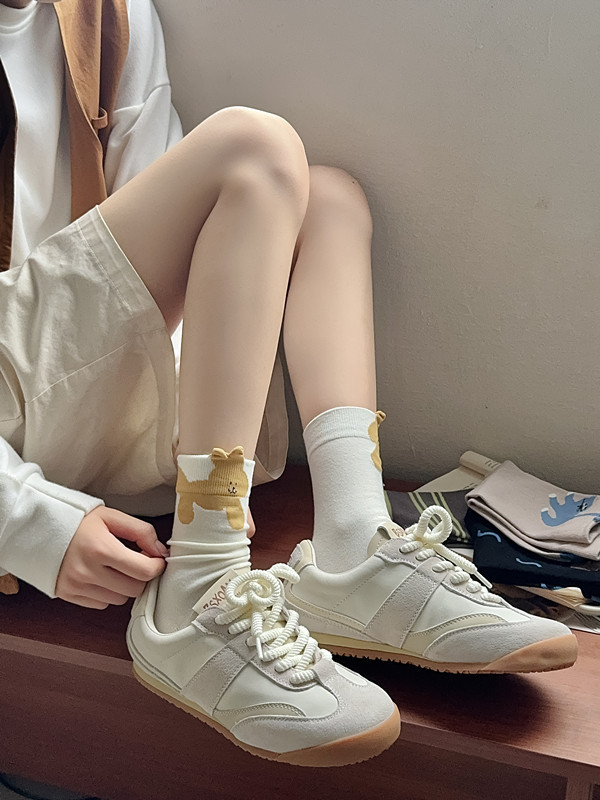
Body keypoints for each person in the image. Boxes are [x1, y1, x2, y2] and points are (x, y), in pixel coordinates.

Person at [0, 0, 577, 769]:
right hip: (14, 428)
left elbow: (152, 253)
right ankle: (200, 593)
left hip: (86, 398)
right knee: (254, 147)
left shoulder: (106, 15)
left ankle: (353, 545)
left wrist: (208, 442)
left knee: (325, 194)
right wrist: (26, 523)